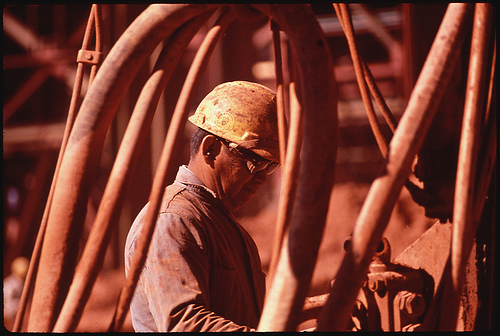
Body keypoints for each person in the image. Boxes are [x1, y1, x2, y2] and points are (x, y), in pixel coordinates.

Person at [125, 81, 281, 332]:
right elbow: (185, 325)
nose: (263, 178)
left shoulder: (225, 226)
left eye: (271, 166)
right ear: (210, 149)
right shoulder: (172, 220)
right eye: (256, 162)